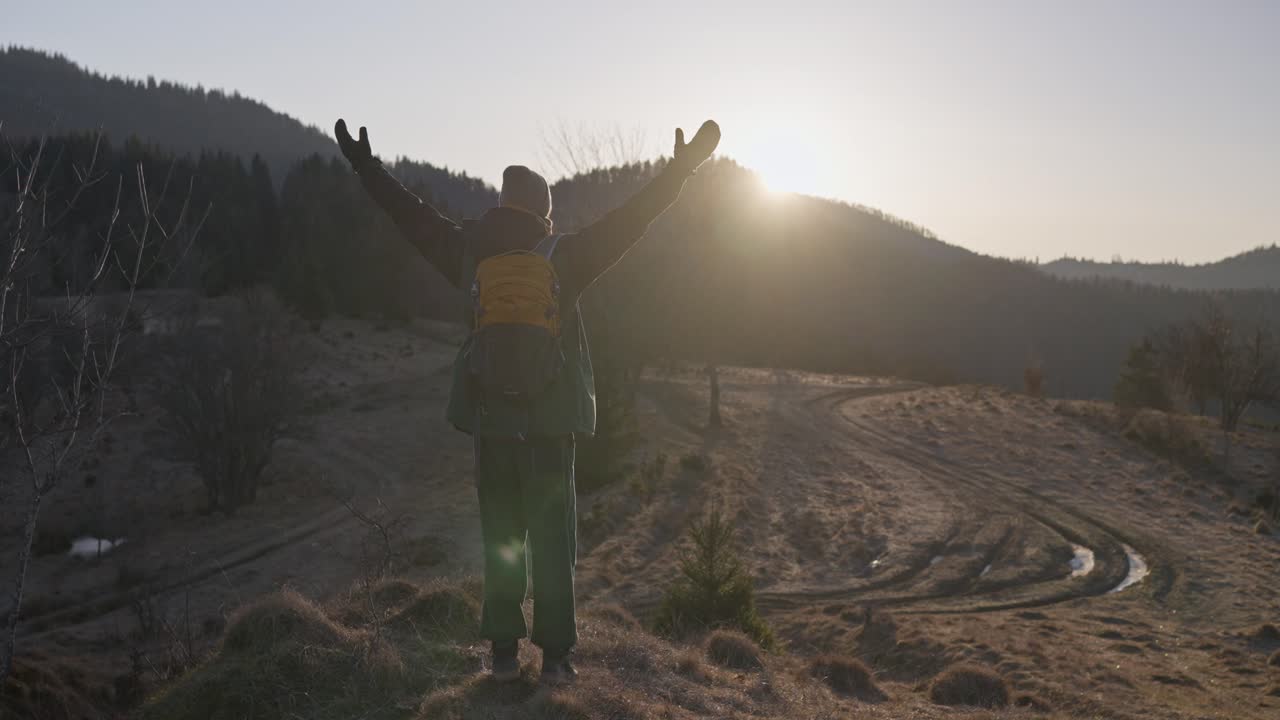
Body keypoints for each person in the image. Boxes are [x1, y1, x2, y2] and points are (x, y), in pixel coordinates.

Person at [333, 116, 720, 685]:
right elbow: (632, 219)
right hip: (549, 428)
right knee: (553, 544)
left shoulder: (468, 253)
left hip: (492, 424)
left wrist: (367, 168)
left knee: (501, 539)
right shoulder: (567, 256)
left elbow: (411, 217)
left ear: (500, 204)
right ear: (543, 214)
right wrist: (679, 171)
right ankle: (556, 662)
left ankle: (503, 657)